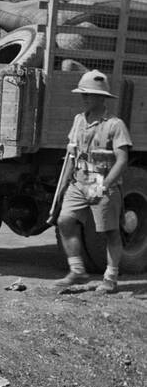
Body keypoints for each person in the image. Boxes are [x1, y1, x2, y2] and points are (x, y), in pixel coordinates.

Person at [55, 70, 133, 293]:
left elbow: (122, 160)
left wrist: (104, 185)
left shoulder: (115, 125)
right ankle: (77, 270)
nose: (84, 98)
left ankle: (110, 277)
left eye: (88, 94)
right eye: (83, 94)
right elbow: (71, 155)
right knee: (65, 220)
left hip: (103, 183)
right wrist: (62, 186)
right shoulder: (78, 120)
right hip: (79, 181)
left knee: (110, 232)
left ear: (101, 98)